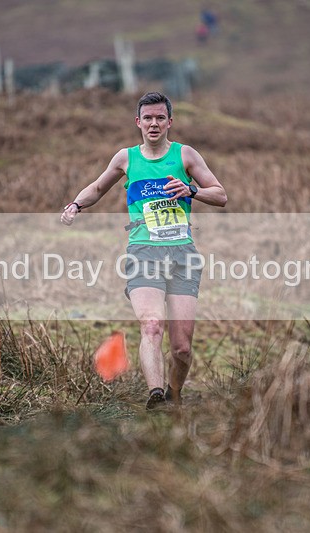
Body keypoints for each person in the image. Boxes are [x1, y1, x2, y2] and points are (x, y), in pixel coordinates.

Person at [60, 91, 227, 409]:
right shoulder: (126, 159)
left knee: (181, 349)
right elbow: (96, 188)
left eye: (160, 118)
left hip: (182, 255)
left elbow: (220, 195)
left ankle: (174, 393)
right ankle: (155, 396)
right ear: (138, 122)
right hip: (143, 253)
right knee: (151, 325)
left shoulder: (185, 156)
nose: (154, 123)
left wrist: (191, 189)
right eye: (147, 118)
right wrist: (75, 204)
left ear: (169, 122)